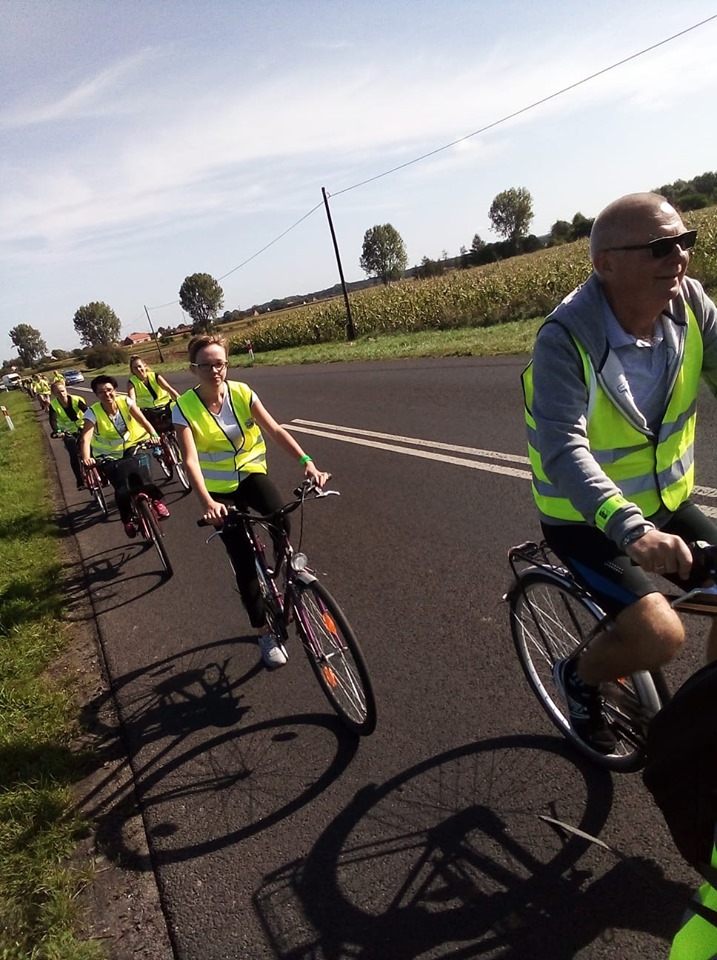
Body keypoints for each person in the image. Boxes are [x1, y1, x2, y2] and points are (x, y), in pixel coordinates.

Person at [523, 192, 717, 753]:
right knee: (659, 633)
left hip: (667, 501)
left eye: (685, 241)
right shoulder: (566, 338)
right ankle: (578, 676)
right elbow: (562, 447)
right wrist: (632, 530)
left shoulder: (691, 305)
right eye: (660, 247)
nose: (679, 257)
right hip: (586, 519)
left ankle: (709, 724)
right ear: (605, 264)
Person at [173, 335, 329, 668]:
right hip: (218, 491)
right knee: (243, 564)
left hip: (250, 474)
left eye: (220, 363)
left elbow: (275, 431)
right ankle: (263, 632)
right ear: (192, 369)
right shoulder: (183, 407)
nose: (215, 371)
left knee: (281, 519)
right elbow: (190, 461)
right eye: (206, 365)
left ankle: (281, 570)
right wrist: (207, 503)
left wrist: (308, 463)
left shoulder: (242, 392)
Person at [79, 375, 170, 538]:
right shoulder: (92, 412)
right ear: (96, 395)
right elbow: (86, 438)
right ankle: (127, 520)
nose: (107, 394)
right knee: (122, 489)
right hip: (108, 456)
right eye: (101, 392)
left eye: (109, 390)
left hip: (133, 445)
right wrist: (87, 458)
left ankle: (156, 501)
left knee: (145, 476)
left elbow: (143, 420)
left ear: (115, 390)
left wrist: (154, 435)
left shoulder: (125, 402)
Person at [126, 356, 180, 436]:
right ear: (132, 370)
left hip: (165, 406)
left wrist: (181, 401)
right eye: (135, 368)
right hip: (148, 411)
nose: (138, 369)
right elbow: (132, 401)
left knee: (179, 422)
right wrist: (133, 413)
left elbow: (169, 389)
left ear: (144, 365)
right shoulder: (132, 383)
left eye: (140, 366)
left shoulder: (155, 376)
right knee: (148, 431)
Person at [49, 380, 87, 489]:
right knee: (73, 454)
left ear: (66, 390)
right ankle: (80, 481)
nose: (62, 394)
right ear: (54, 394)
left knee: (92, 450)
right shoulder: (54, 405)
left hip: (83, 427)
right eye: (58, 392)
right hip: (67, 431)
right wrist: (57, 432)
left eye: (63, 391)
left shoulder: (76, 400)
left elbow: (87, 411)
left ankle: (101, 475)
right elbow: (53, 420)